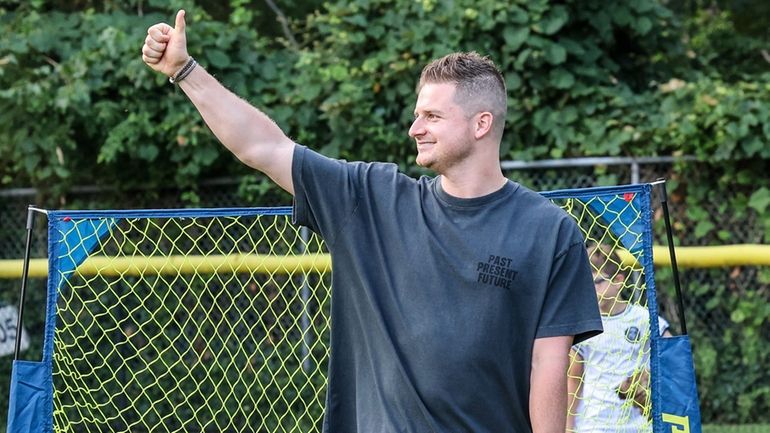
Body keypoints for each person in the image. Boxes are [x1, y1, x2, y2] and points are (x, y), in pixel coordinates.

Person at [142, 10, 603, 433]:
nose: (415, 128)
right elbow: (263, 148)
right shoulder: (371, 200)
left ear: (481, 124)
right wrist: (186, 72)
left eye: (432, 116)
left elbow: (550, 365)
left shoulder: (548, 230)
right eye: (416, 114)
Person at [566, 243, 672, 433]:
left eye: (598, 282)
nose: (592, 289)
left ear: (619, 280)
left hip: (638, 425)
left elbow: (673, 357)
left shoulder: (643, 319)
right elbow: (573, 380)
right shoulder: (583, 325)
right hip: (594, 424)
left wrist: (646, 376)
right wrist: (568, 427)